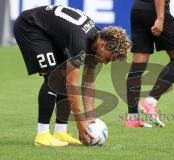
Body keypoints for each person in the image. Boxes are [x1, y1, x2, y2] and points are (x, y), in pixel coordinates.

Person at [14, 5, 131, 146]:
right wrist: (80, 121)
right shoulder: (80, 42)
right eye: (109, 58)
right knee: (54, 78)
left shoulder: (97, 40)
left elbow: (88, 82)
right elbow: (72, 83)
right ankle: (42, 135)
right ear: (104, 44)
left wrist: (89, 117)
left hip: (50, 31)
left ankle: (60, 132)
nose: (106, 62)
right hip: (30, 26)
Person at [125, 0, 174, 128]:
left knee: (138, 65)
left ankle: (132, 118)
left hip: (137, 9)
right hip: (155, 10)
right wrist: (160, 17)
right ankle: (150, 101)